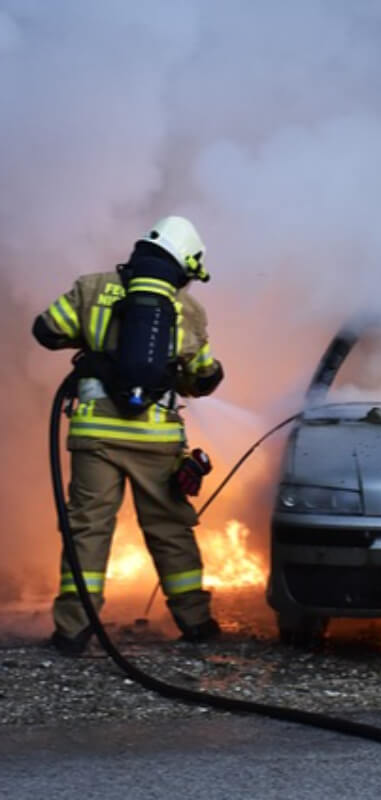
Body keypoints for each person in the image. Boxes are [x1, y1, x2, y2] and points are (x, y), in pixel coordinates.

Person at [33, 216, 225, 655]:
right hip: (155, 442)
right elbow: (203, 378)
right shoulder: (187, 310)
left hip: (93, 438)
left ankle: (73, 630)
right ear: (182, 264)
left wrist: (97, 352)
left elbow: (46, 330)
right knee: (170, 529)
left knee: (87, 529)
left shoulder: (92, 288)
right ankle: (195, 622)